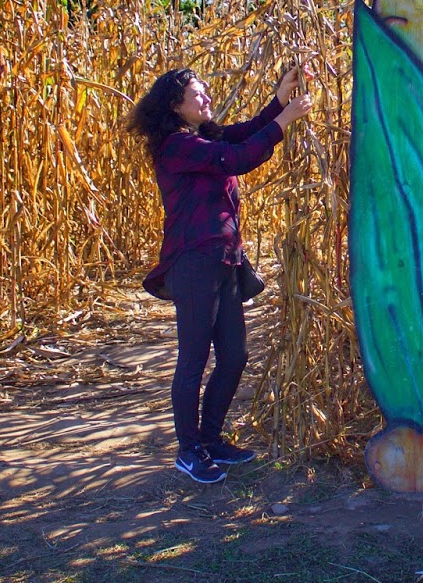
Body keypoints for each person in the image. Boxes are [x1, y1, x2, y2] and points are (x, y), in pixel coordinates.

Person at [128, 66, 312, 483]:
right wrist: (285, 121)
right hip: (194, 261)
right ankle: (188, 450)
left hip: (225, 259)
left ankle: (210, 440)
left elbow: (244, 135)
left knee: (234, 355)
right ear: (176, 105)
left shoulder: (201, 138)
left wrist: (280, 100)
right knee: (193, 358)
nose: (206, 99)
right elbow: (238, 157)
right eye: (198, 94)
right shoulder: (175, 146)